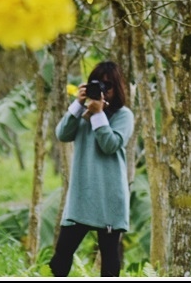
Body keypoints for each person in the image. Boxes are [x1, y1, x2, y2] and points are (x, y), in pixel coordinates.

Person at [49, 61, 135, 277]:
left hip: (109, 196)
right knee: (60, 258)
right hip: (82, 196)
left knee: (109, 262)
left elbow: (111, 145)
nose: (104, 90)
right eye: (98, 84)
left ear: (118, 88)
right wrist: (78, 105)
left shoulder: (123, 115)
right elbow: (62, 134)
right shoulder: (83, 113)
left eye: (109, 85)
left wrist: (98, 115)